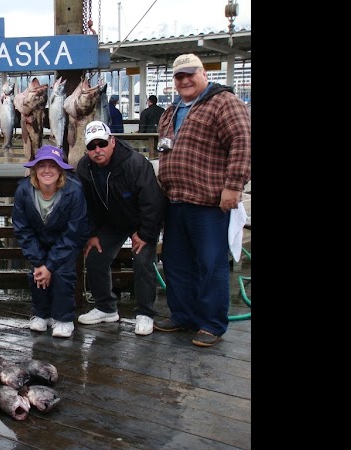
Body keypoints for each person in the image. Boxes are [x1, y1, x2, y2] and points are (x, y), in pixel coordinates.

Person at [154, 53, 251, 347]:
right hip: (175, 201)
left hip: (209, 204)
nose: (184, 80)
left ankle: (211, 324)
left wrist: (233, 187)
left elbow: (243, 142)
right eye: (179, 76)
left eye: (190, 74)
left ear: (203, 73)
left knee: (211, 265)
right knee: (175, 263)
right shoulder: (171, 111)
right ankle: (182, 315)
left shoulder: (224, 102)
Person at [75, 121, 167, 336]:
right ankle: (106, 307)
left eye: (102, 143)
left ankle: (146, 313)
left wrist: (145, 234)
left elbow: (152, 202)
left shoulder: (135, 164)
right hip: (111, 222)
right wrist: (92, 233)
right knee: (96, 257)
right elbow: (84, 205)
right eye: (92, 146)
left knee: (143, 261)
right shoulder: (83, 168)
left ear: (112, 141)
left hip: (140, 221)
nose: (98, 150)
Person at [13, 145, 89, 338]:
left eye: (53, 166)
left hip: (66, 243)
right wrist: (40, 262)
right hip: (38, 243)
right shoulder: (23, 191)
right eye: (42, 166)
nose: (47, 170)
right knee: (37, 273)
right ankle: (41, 314)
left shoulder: (74, 191)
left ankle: (64, 319)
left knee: (63, 273)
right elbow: (22, 229)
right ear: (34, 170)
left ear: (60, 169)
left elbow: (73, 232)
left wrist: (51, 265)